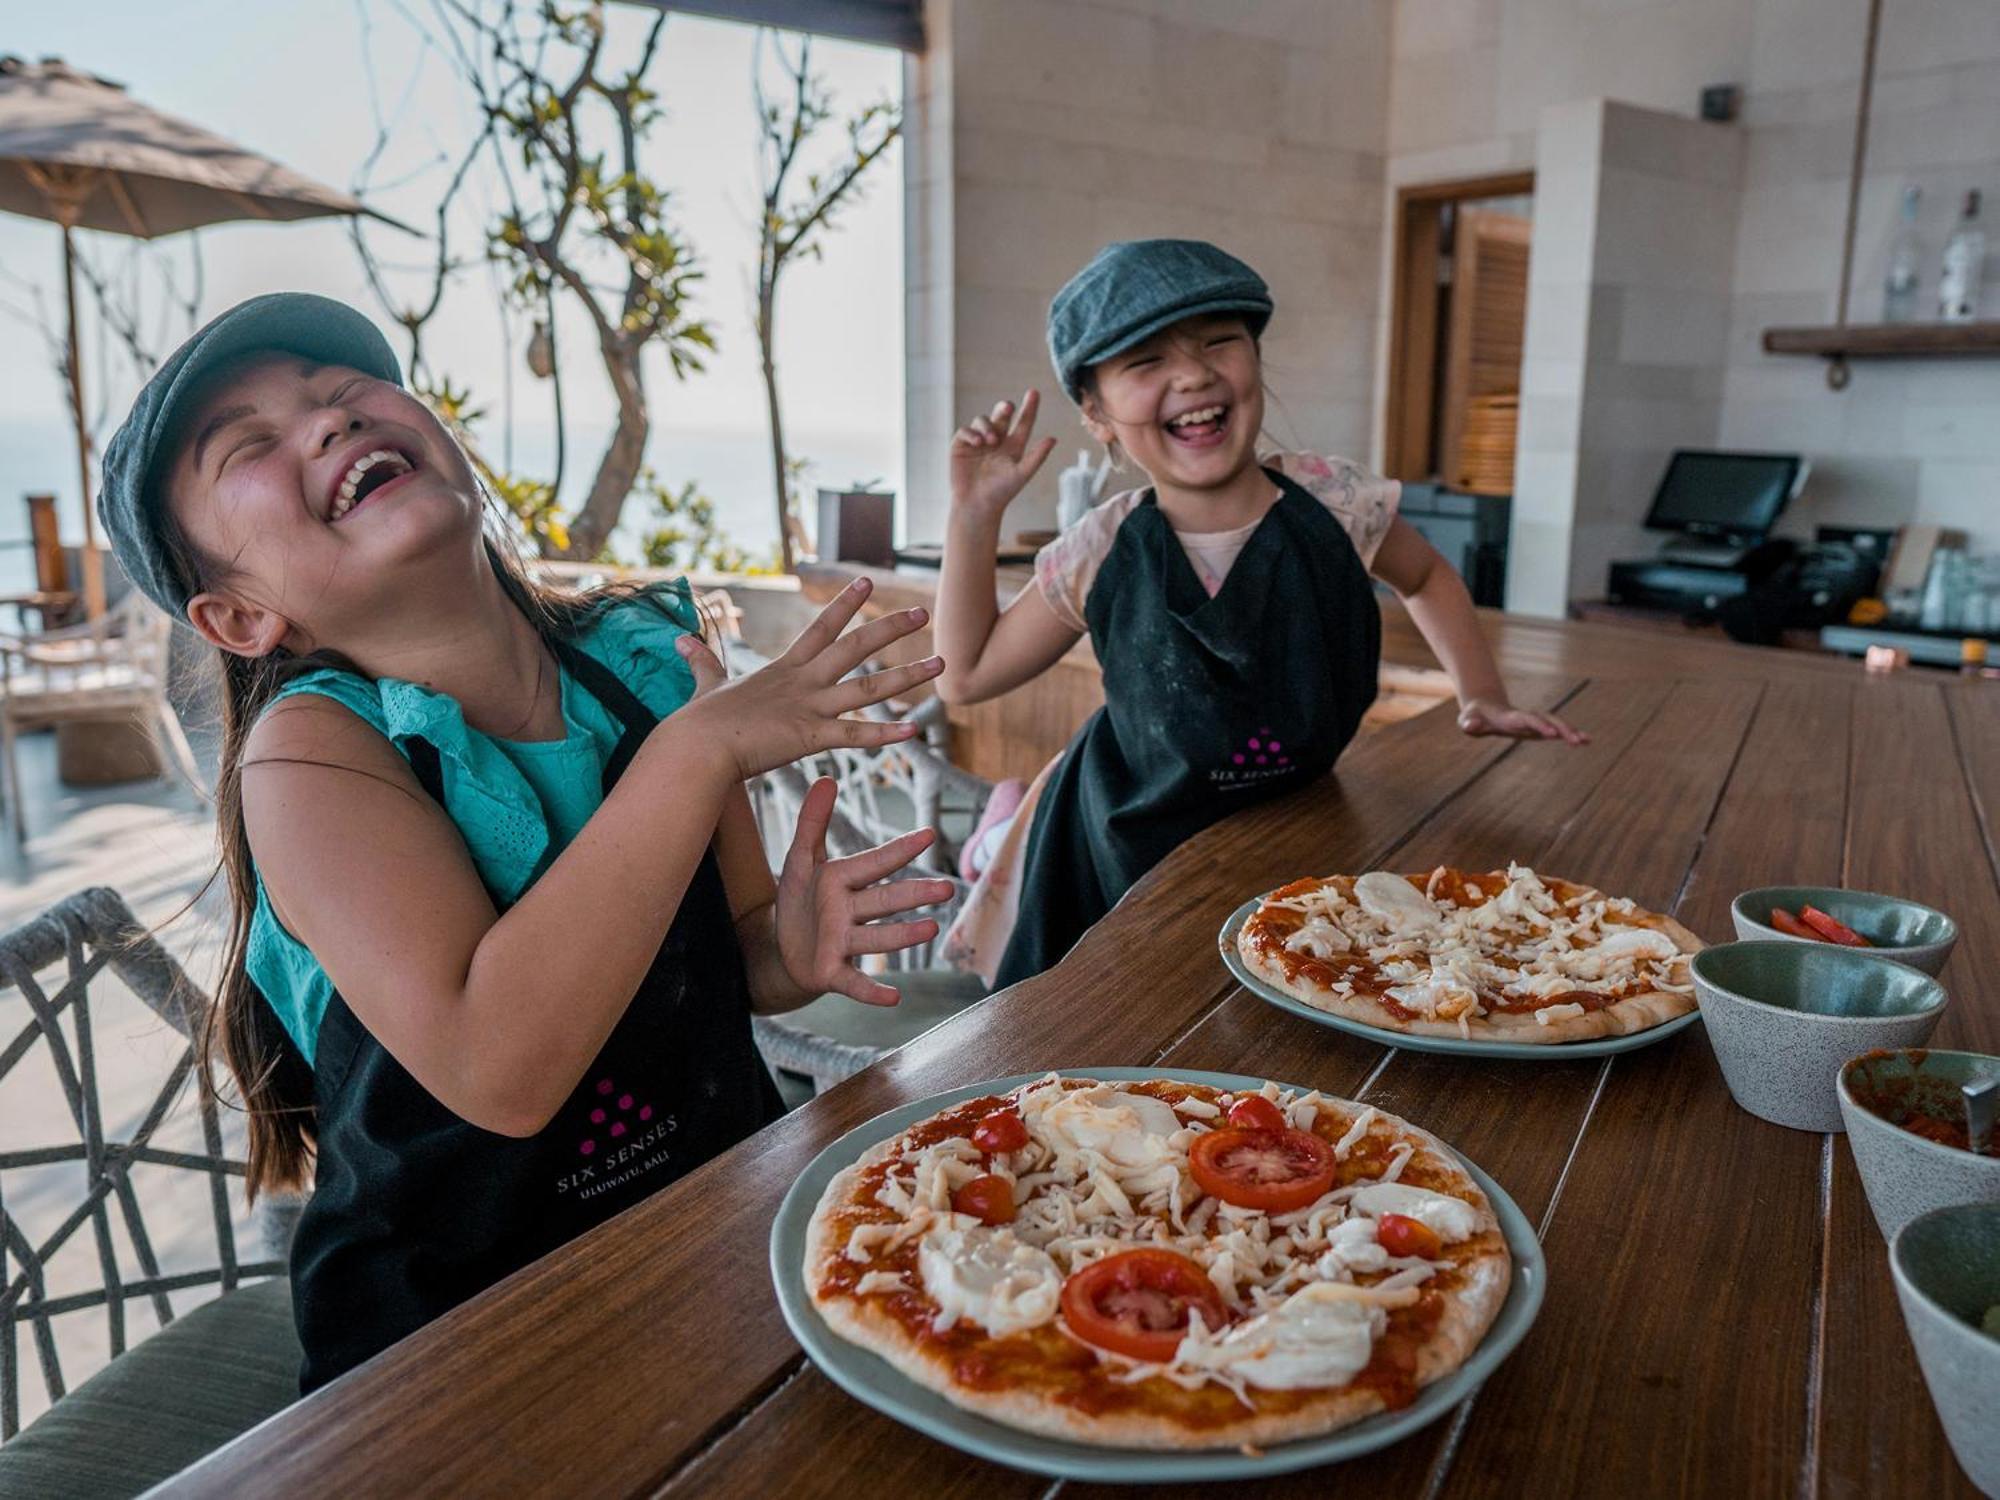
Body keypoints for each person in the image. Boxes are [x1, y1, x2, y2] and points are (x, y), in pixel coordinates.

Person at [97, 293, 953, 1391]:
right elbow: (495, 1067)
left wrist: (791, 951)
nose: (326, 421)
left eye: (337, 388)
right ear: (239, 618)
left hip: (722, 1237)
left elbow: (736, 955)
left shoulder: (639, 660)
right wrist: (692, 757)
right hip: (457, 1352)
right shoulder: (309, 761)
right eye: (251, 443)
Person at [933, 240, 1584, 988]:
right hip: (1124, 844)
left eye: (1218, 341)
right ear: (1097, 413)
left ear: (1255, 360)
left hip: (1299, 823)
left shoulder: (1337, 505)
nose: (1193, 374)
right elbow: (968, 676)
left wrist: (1481, 694)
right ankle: (1003, 834)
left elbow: (1428, 573)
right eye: (1145, 363)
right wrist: (973, 515)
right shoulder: (1099, 550)